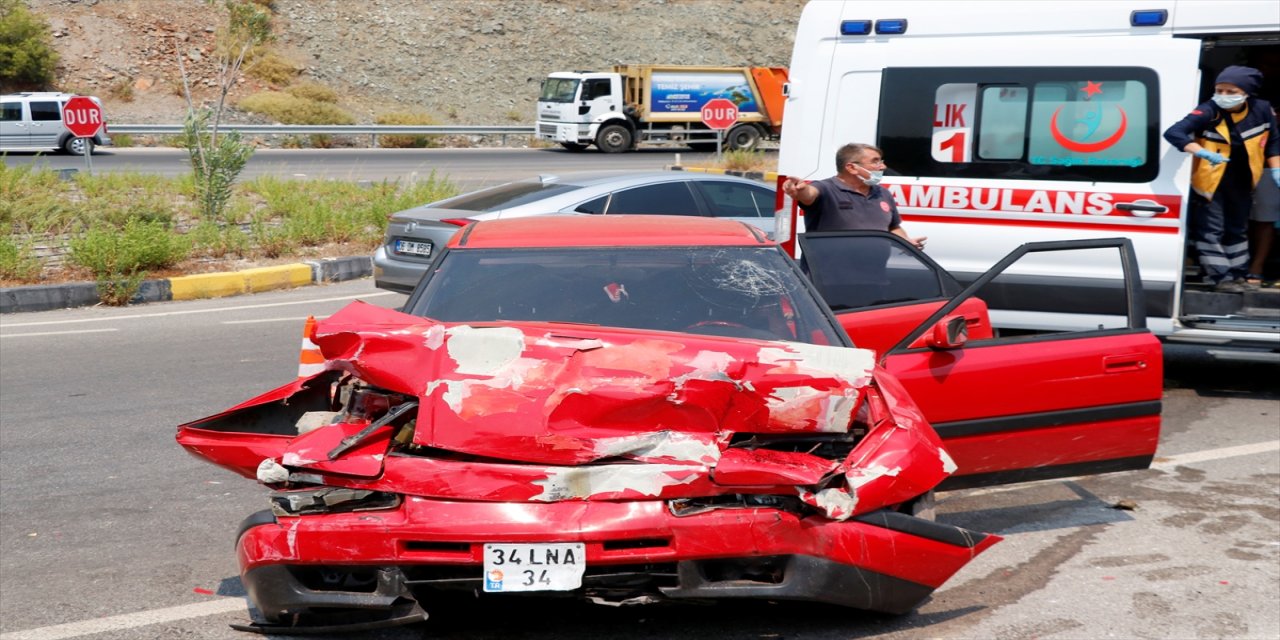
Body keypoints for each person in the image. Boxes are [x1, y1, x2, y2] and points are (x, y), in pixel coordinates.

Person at [1163, 65, 1280, 293]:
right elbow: (1174, 132)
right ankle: (1219, 277)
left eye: (1230, 92)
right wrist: (1200, 151)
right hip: (1211, 180)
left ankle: (1237, 275)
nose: (1223, 96)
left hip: (1243, 180)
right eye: (1220, 90)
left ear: (1247, 93)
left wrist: (1276, 169)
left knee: (1237, 229)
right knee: (1212, 229)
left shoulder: (1262, 110)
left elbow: (1273, 141)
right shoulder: (1209, 110)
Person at [781, 142, 926, 249]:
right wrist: (800, 190)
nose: (883, 167)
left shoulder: (883, 193)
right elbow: (810, 194)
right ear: (851, 168)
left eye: (881, 161)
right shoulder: (827, 188)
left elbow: (893, 227)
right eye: (875, 161)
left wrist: (906, 241)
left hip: (875, 278)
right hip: (829, 279)